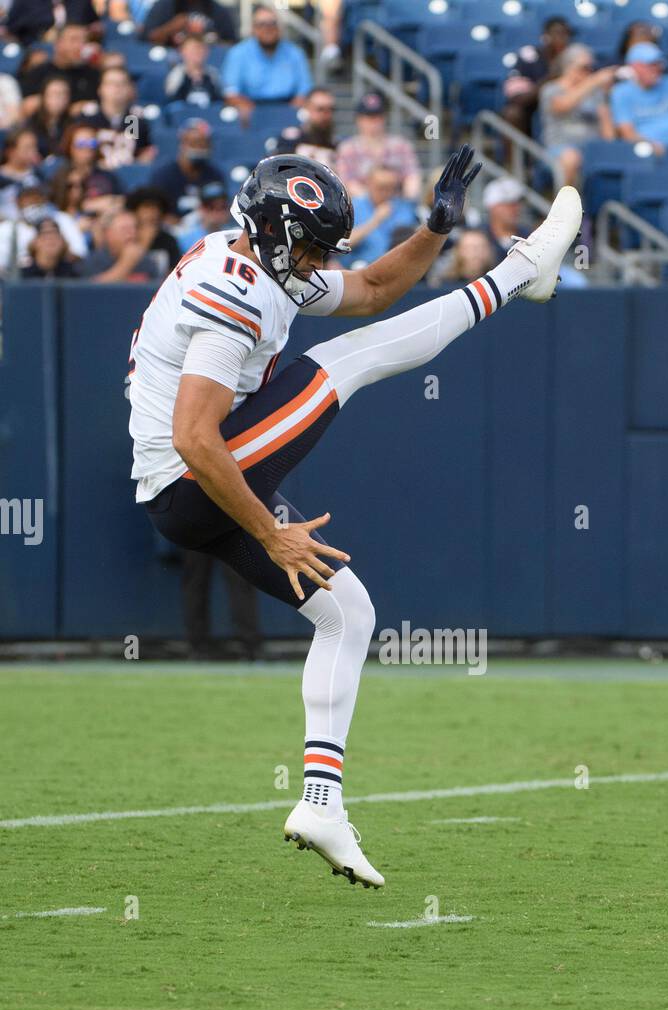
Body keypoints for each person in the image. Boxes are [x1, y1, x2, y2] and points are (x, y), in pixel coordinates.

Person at [127, 148, 581, 887]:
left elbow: (372, 286)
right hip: (193, 477)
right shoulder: (236, 291)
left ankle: (320, 804)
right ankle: (519, 274)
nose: (313, 262)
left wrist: (433, 230)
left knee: (349, 612)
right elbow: (194, 438)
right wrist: (270, 531)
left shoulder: (260, 263)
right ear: (272, 233)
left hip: (194, 488)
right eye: (305, 246)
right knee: (347, 362)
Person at [538, 44, 616, 189]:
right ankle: (565, 209)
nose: (589, 72)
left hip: (592, 151)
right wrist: (594, 81)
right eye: (584, 67)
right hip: (559, 149)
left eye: (591, 68)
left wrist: (605, 96)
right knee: (571, 158)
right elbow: (562, 106)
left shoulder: (595, 93)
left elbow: (609, 136)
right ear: (568, 66)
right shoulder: (551, 89)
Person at [221, 6, 312, 121]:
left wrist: (290, 113)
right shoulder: (238, 53)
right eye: (261, 24)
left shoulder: (295, 53)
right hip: (252, 110)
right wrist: (252, 111)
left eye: (272, 23)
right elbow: (231, 92)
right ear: (253, 29)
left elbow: (304, 90)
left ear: (280, 28)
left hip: (287, 108)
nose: (268, 28)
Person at [334, 92, 420, 200]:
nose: (374, 122)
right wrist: (374, 203)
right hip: (361, 207)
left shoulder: (401, 146)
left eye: (378, 117)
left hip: (396, 205)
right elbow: (346, 183)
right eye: (369, 117)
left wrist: (406, 201)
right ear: (359, 119)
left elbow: (412, 177)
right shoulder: (348, 149)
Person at [501, 14, 573, 139]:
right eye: (557, 33)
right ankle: (514, 159)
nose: (561, 38)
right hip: (534, 104)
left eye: (565, 34)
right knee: (512, 113)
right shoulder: (529, 55)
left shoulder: (575, 56)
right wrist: (546, 81)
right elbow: (517, 98)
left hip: (569, 101)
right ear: (546, 35)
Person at [17, 24, 101, 113]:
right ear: (58, 43)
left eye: (84, 41)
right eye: (74, 40)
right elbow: (27, 105)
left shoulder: (92, 74)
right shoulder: (39, 72)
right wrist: (69, 109)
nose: (80, 46)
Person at [150, 117, 222, 217]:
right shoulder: (163, 176)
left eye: (204, 144)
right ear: (182, 143)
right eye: (194, 143)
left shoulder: (214, 175)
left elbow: (220, 210)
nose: (199, 148)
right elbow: (156, 212)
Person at [86, 67, 156, 168]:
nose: (117, 88)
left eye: (122, 83)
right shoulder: (88, 118)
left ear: (129, 89)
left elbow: (144, 151)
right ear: (100, 88)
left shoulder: (135, 119)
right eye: (111, 83)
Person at [347, 165, 417, 263]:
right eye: (381, 187)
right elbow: (343, 244)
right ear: (369, 184)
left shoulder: (403, 207)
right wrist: (375, 220)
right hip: (358, 269)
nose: (386, 192)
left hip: (394, 268)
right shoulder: (353, 206)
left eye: (391, 187)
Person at [81, 205, 161, 279]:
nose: (132, 234)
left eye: (134, 228)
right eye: (125, 229)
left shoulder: (146, 261)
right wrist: (126, 263)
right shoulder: (92, 261)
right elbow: (91, 291)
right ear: (108, 233)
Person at [272, 86, 336, 165]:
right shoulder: (289, 142)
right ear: (306, 108)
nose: (326, 115)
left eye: (331, 109)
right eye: (320, 109)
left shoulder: (336, 144)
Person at [126, 186, 180, 274]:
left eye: (157, 208)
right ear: (135, 210)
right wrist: (144, 243)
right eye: (146, 207)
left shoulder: (168, 240)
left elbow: (175, 273)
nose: (153, 212)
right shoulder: (127, 237)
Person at [142, 0, 236, 48]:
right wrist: (171, 28)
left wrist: (208, 39)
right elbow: (145, 39)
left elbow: (232, 44)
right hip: (170, 60)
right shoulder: (165, 5)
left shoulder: (217, 10)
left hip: (208, 61)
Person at [163, 35, 223, 107]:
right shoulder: (175, 74)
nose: (198, 53)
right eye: (193, 50)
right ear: (182, 51)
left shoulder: (213, 74)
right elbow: (171, 99)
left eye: (201, 49)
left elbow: (219, 100)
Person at [175, 177, 231, 251]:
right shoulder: (185, 238)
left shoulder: (233, 235)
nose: (217, 211)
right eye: (210, 206)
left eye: (222, 206)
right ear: (200, 208)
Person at [481, 175, 530, 256]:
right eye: (508, 204)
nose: (515, 208)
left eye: (517, 203)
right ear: (492, 207)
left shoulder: (528, 237)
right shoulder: (478, 237)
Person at [24, 75, 72, 157]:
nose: (59, 99)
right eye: (54, 94)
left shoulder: (73, 124)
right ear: (43, 96)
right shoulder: (30, 124)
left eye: (64, 94)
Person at [0, 124, 42, 215]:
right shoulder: (1, 177)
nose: (33, 151)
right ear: (11, 151)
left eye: (34, 146)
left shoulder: (38, 174)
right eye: (27, 147)